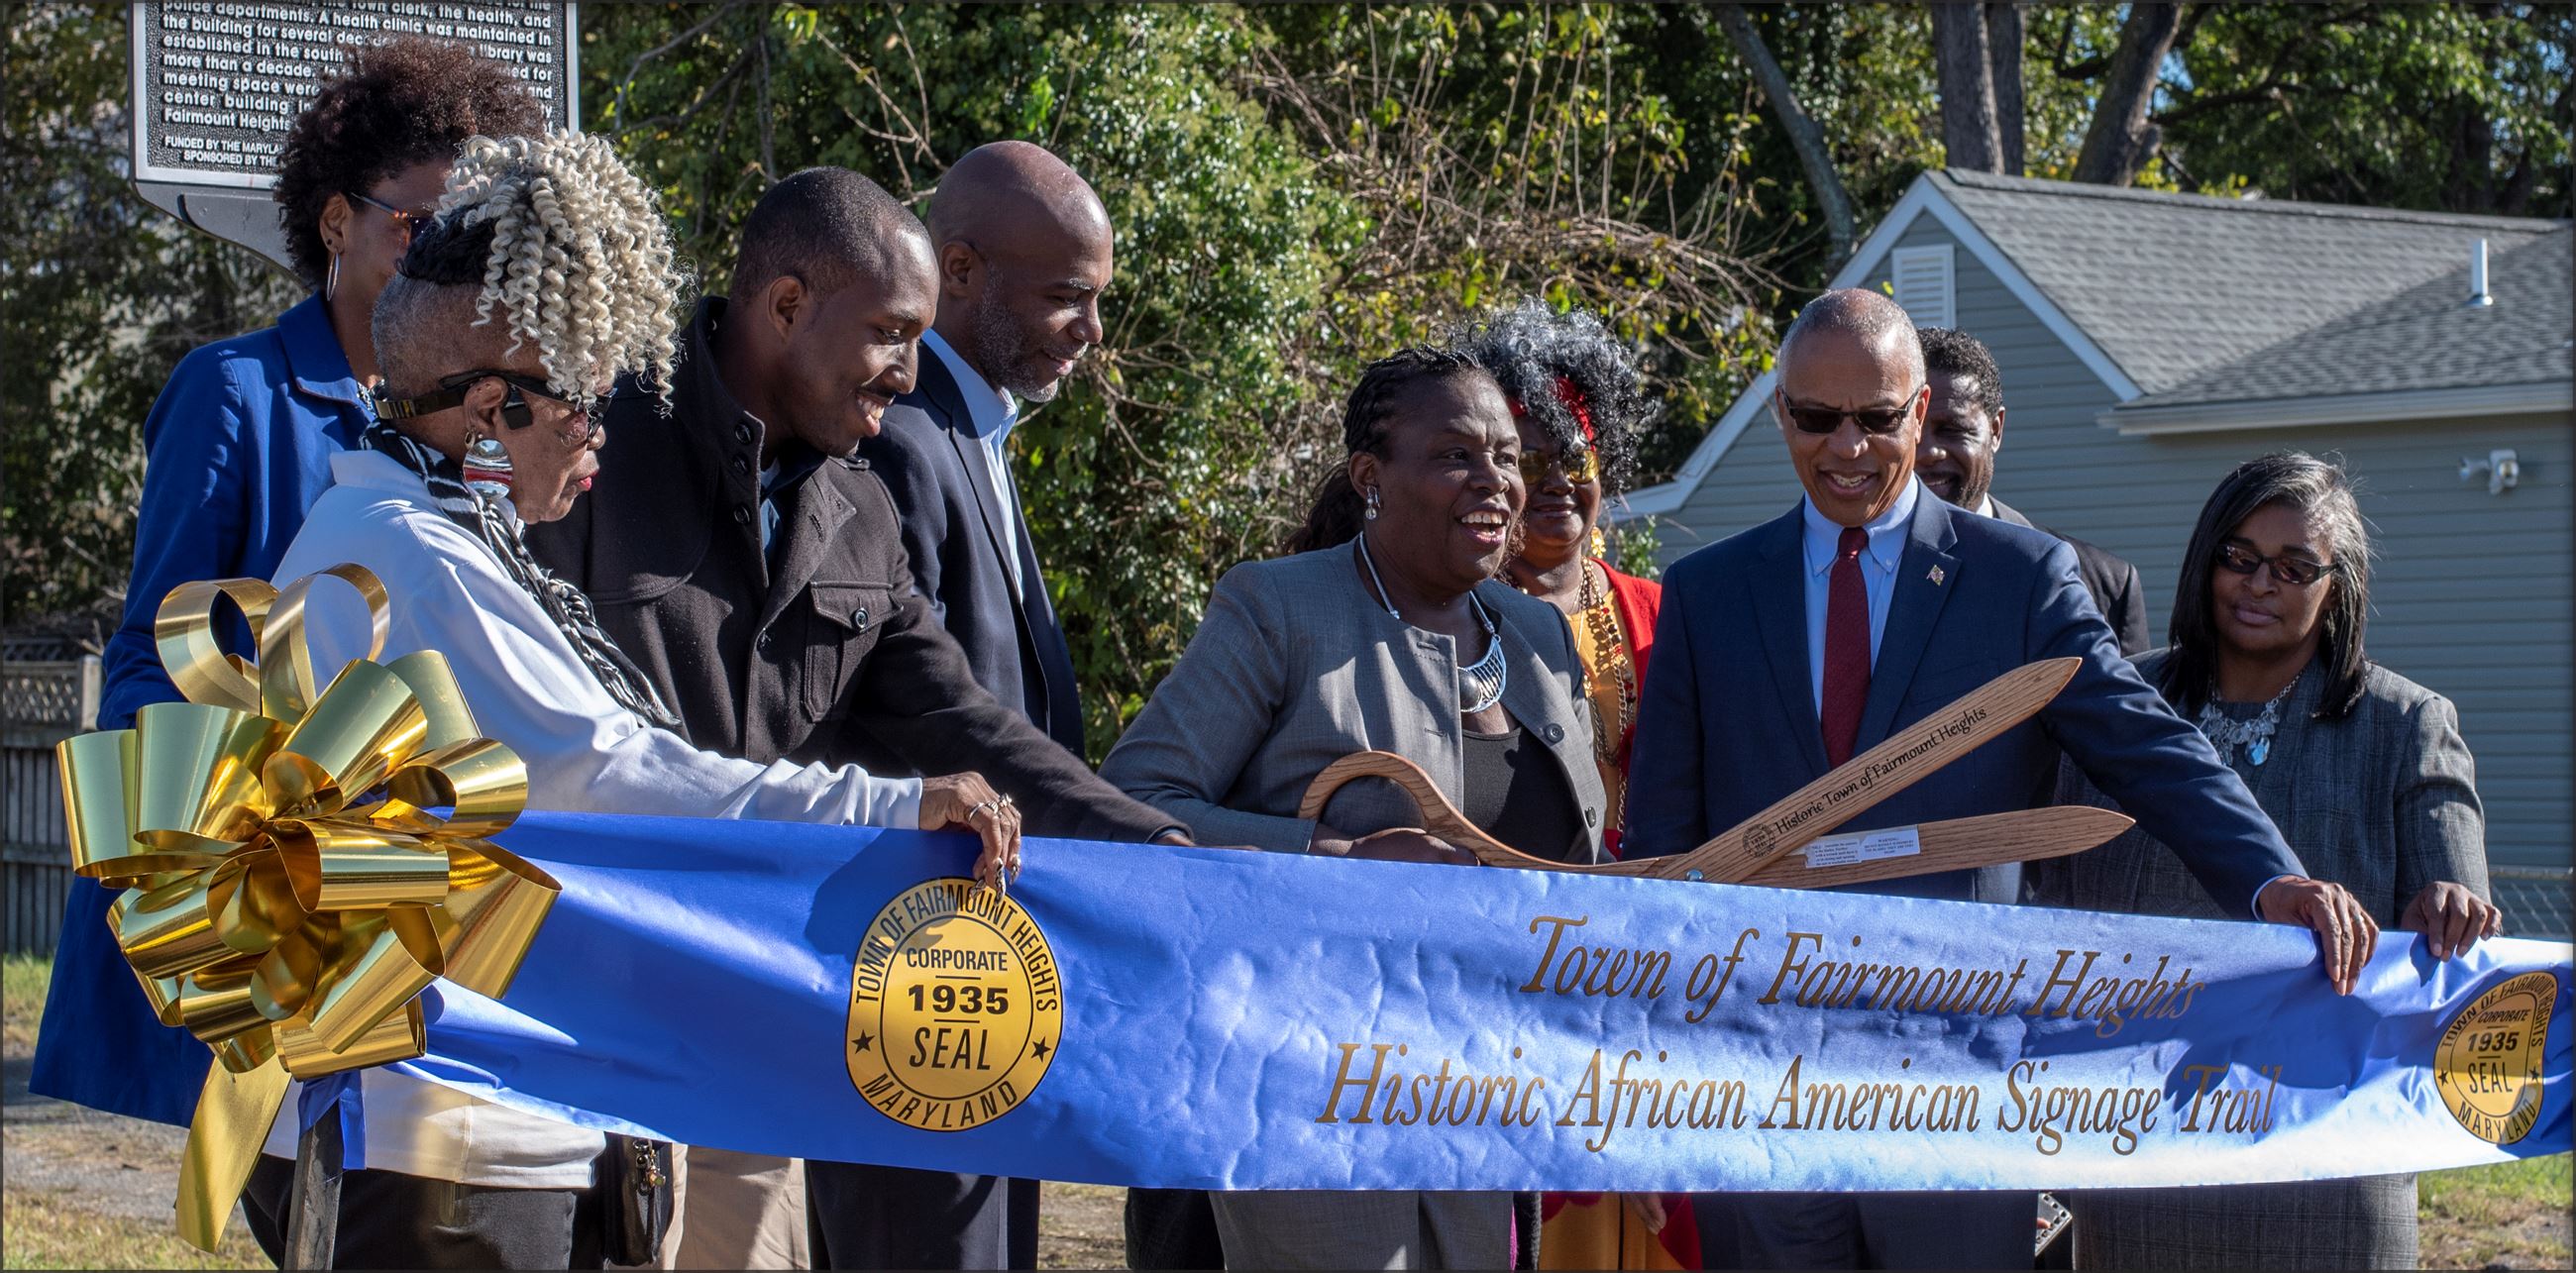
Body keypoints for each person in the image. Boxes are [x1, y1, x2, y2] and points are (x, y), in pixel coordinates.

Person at [252, 131, 1024, 1270]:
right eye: (581, 406)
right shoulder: (408, 559)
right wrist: (879, 809)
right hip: (435, 1139)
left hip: (454, 1121)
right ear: (492, 406)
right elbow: (612, 775)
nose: (600, 442)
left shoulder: (419, 539)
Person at [1622, 289, 2379, 1272]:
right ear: (1779, 412)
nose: (1845, 445)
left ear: (1919, 409)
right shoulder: (1708, 592)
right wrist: (1637, 1057)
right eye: (1816, 418)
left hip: (1952, 1072)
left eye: (1877, 418)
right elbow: (1664, 837)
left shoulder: (2018, 577)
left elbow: (2143, 740)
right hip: (1755, 1069)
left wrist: (2269, 877)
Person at [529, 165, 1191, 1271]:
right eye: (891, 331)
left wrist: (1159, 848)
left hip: (754, 1036)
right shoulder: (592, 445)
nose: (912, 369)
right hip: (575, 1037)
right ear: (786, 306)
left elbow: (961, 723)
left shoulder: (858, 511)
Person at [31, 35, 544, 1131]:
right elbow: (151, 657)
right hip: (285, 902)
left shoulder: (495, 415)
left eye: (473, 237)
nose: (447, 252)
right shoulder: (235, 394)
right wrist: (236, 874)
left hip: (437, 903)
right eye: (421, 224)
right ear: (334, 222)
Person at [1103, 347, 1609, 1270]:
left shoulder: (1540, 638)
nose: (1495, 479)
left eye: (1505, 455)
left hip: (1488, 1082)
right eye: (1456, 454)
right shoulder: (1281, 609)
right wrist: (1336, 860)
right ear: (1372, 478)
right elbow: (1134, 801)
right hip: (1309, 1082)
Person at [2037, 452, 2501, 1270]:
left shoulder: (2405, 723)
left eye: (2293, 568)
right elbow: (2051, 901)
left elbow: (2455, 893)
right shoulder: (2118, 709)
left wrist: (2451, 903)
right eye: (2240, 557)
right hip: (2139, 1144)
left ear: (2340, 587)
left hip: (2324, 1160)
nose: (2258, 584)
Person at [1457, 301, 1703, 1272]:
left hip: (1654, 978)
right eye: (1533, 460)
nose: (1558, 484)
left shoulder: (1660, 611)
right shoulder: (1454, 613)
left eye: (1578, 459)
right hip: (1510, 980)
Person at [859, 141, 1109, 763]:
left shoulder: (975, 425)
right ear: (961, 270)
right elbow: (918, 711)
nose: (1093, 328)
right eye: (1066, 296)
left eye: (1098, 297)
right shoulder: (900, 441)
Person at [1914, 327, 2151, 657]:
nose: (1926, 452)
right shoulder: (1849, 571)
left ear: (1995, 430)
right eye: (1910, 429)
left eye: (1952, 430)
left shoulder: (2102, 582)